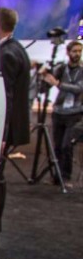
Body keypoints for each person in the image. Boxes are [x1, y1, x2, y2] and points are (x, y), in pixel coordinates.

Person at [0, 7, 31, 249]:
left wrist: (0, 135)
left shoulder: (7, 53)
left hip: (3, 130)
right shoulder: (16, 49)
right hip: (8, 128)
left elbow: (6, 98)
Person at [43, 39, 83, 180]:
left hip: (74, 113)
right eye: (74, 51)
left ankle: (66, 176)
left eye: (79, 51)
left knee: (67, 146)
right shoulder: (61, 68)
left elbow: (78, 89)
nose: (77, 54)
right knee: (58, 146)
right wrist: (45, 76)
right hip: (59, 112)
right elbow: (48, 83)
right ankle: (57, 176)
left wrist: (58, 84)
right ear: (68, 52)